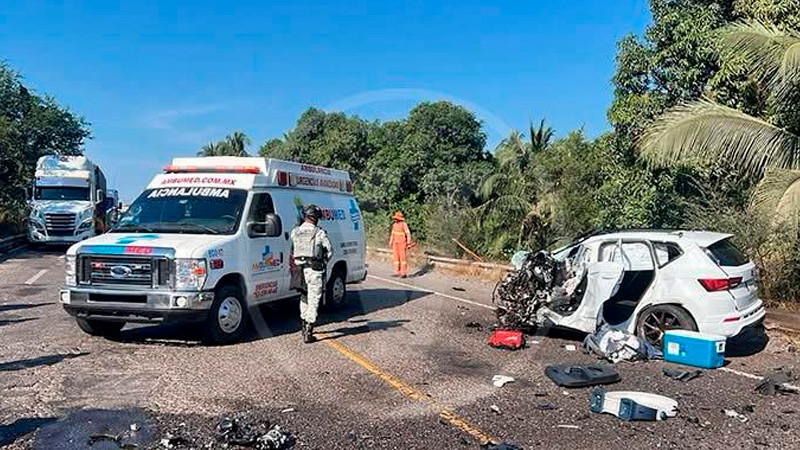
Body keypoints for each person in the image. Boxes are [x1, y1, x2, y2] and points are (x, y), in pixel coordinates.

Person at [290, 204, 332, 343]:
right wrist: (323, 261)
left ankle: (303, 325)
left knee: (304, 296)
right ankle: (309, 329)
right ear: (316, 218)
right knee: (314, 299)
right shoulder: (319, 232)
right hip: (314, 269)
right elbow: (330, 251)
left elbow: (292, 249)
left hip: (298, 269)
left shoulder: (295, 231)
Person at [388, 210, 412, 278]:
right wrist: (390, 241)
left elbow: (408, 233)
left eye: (396, 218)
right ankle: (396, 272)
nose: (395, 219)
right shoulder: (394, 225)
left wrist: (408, 242)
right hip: (395, 243)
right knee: (396, 258)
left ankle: (403, 273)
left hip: (402, 243)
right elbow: (392, 234)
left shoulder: (404, 224)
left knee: (402, 258)